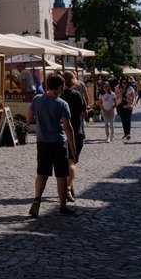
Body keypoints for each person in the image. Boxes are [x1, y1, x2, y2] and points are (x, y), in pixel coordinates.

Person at [27, 73, 77, 217]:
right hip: (58, 143)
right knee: (61, 175)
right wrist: (72, 149)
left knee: (42, 173)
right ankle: (62, 206)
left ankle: (37, 199)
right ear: (61, 87)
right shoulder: (62, 103)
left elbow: (28, 117)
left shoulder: (37, 99)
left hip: (42, 142)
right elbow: (68, 127)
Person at [61, 70, 86, 201]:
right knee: (72, 161)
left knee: (66, 162)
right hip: (75, 130)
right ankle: (68, 188)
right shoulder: (76, 94)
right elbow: (84, 114)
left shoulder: (59, 95)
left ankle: (70, 185)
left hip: (60, 133)